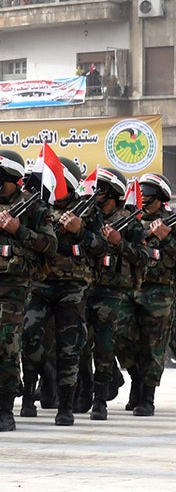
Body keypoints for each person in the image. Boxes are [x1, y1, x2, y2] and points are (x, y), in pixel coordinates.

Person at [0, 149, 56, 433]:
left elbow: (50, 245)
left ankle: (4, 410)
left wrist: (19, 230)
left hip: (14, 286)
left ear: (11, 178)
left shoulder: (33, 208)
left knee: (6, 346)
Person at [21, 157, 95, 426]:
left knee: (69, 348)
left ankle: (65, 405)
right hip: (39, 284)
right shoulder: (35, 207)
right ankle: (45, 376)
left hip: (72, 287)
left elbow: (100, 247)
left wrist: (81, 231)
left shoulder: (86, 210)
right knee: (27, 337)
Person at [84, 167, 145, 420]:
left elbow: (143, 258)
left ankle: (100, 400)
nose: (96, 194)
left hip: (114, 293)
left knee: (106, 347)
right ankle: (90, 388)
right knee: (80, 344)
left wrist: (121, 243)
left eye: (101, 189)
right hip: (87, 288)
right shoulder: (89, 217)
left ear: (114, 192)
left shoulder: (129, 220)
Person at [122, 173, 176, 416]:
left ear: (160, 196)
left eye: (148, 192)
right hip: (130, 287)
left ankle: (147, 396)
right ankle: (135, 378)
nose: (143, 196)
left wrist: (167, 239)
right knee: (121, 337)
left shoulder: (171, 222)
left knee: (154, 345)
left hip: (159, 290)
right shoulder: (132, 220)